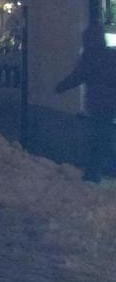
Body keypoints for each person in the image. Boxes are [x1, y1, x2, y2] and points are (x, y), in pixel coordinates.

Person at [55, 24, 116, 182]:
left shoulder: (90, 57)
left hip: (97, 104)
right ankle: (95, 172)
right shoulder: (110, 54)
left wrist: (61, 87)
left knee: (99, 139)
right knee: (103, 137)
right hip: (110, 103)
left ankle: (92, 173)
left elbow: (77, 76)